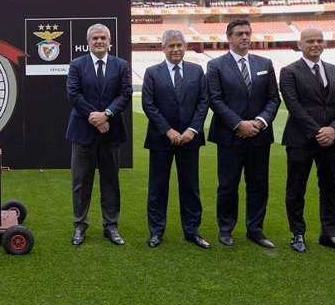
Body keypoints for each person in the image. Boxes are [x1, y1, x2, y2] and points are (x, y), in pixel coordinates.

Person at [279, 28, 335, 255]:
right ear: (300, 44)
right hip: (300, 139)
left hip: (333, 141)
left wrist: (334, 129)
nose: (315, 44)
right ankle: (297, 234)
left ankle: (330, 234)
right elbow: (293, 105)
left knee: (331, 189)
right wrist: (318, 132)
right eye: (310, 41)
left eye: (319, 40)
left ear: (324, 44)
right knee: (296, 189)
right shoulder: (289, 71)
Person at [206, 18, 281, 249]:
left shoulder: (265, 63)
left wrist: (259, 122)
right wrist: (239, 124)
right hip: (230, 136)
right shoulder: (216, 65)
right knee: (227, 185)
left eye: (247, 33)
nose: (245, 37)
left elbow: (273, 98)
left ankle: (255, 230)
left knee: (258, 185)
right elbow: (215, 100)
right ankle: (226, 229)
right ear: (229, 37)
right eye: (239, 33)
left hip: (259, 136)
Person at [141, 30, 210, 249]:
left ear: (186, 47)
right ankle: (156, 231)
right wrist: (168, 131)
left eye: (179, 45)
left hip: (190, 139)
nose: (176, 49)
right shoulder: (152, 72)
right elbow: (148, 104)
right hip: (161, 139)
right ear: (163, 48)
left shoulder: (197, 71)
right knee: (158, 188)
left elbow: (203, 102)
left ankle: (192, 231)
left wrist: (192, 129)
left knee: (190, 187)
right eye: (171, 46)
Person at [66, 23, 132, 246]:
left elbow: (125, 94)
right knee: (81, 182)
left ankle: (111, 226)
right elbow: (73, 94)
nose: (99, 41)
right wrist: (95, 118)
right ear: (88, 42)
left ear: (110, 41)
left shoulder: (121, 65)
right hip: (83, 132)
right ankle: (80, 225)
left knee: (110, 181)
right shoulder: (77, 65)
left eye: (103, 37)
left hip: (111, 131)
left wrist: (106, 115)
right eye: (95, 38)